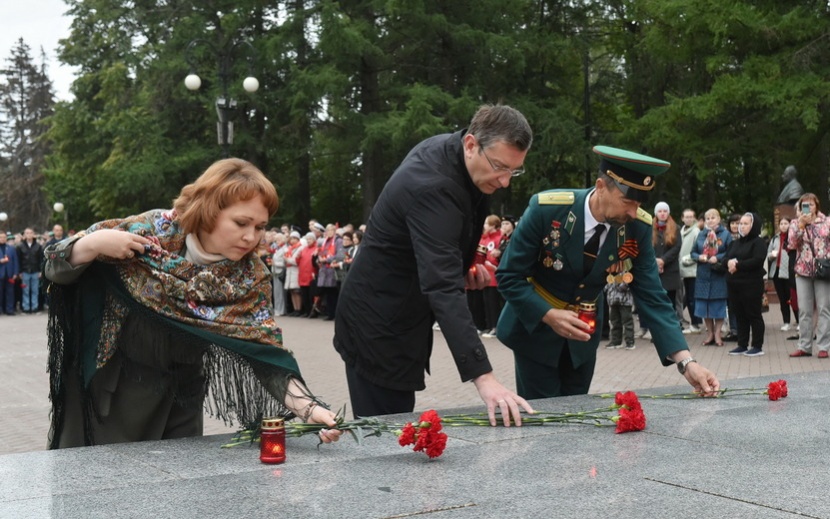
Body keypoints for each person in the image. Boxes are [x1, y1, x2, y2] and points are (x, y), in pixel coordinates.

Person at [43, 158, 341, 448]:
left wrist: (310, 410)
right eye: (241, 223)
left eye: (261, 226)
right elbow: (55, 265)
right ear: (209, 211)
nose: (251, 237)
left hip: (181, 401)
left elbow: (266, 353)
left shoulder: (250, 277)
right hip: (111, 397)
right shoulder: (151, 232)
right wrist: (92, 244)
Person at [334, 104, 535, 426]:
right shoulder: (432, 185)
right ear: (471, 144)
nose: (506, 181)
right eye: (500, 167)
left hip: (399, 315)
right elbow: (441, 286)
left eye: (515, 170)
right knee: (384, 438)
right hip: (378, 325)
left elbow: (438, 252)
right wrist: (484, 378)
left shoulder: (456, 156)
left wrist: (463, 270)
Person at [496, 145, 720, 399]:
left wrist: (686, 362)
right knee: (544, 418)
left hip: (583, 338)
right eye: (627, 202)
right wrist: (548, 315)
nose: (634, 212)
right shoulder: (546, 209)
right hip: (534, 333)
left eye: (638, 204)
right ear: (601, 186)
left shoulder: (636, 226)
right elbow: (508, 275)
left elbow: (652, 296)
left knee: (577, 413)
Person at [788, 193, 830, 358]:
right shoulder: (795, 223)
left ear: (817, 206)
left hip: (822, 271)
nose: (808, 208)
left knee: (824, 308)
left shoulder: (826, 222)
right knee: (804, 310)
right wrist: (801, 225)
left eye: (811, 204)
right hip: (803, 270)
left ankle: (823, 346)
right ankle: (804, 346)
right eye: (804, 205)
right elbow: (792, 243)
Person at [723, 213, 767, 356]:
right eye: (740, 223)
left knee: (753, 314)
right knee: (739, 314)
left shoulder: (758, 242)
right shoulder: (734, 243)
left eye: (745, 223)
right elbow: (725, 259)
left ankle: (757, 346)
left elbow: (757, 260)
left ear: (753, 225)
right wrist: (729, 263)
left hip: (751, 284)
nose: (741, 226)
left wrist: (738, 265)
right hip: (734, 284)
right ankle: (742, 344)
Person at [691, 209, 732, 347]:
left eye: (713, 217)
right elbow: (692, 253)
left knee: (718, 305)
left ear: (719, 219)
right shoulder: (701, 234)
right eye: (707, 218)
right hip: (703, 274)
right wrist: (699, 257)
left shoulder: (725, 235)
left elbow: (730, 251)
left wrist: (718, 257)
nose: (710, 220)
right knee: (704, 306)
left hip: (718, 274)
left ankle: (718, 334)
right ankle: (709, 334)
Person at [652, 202, 682, 327]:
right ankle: (658, 329)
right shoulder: (650, 228)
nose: (662, 213)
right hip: (655, 271)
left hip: (670, 272)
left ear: (668, 213)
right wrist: (655, 260)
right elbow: (647, 247)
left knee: (670, 302)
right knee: (657, 302)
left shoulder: (676, 228)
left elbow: (677, 247)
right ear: (656, 213)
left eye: (665, 211)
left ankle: (671, 328)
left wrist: (663, 260)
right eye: (660, 211)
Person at [767, 217, 793, 332]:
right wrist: (771, 255)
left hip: (788, 271)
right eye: (781, 223)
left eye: (786, 223)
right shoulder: (775, 238)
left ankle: (798, 321)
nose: (783, 226)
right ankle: (786, 322)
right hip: (776, 271)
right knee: (782, 299)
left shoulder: (793, 237)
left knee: (792, 298)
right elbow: (768, 254)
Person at [679, 208, 702, 334]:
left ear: (694, 218)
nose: (688, 219)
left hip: (692, 269)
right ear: (682, 218)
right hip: (683, 270)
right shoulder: (681, 231)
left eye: (691, 217)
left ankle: (696, 323)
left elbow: (699, 251)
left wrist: (686, 260)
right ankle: (693, 321)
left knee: (693, 297)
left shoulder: (696, 232)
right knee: (687, 297)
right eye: (686, 217)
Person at [16, 227, 44, 314]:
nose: (29, 234)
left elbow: (41, 259)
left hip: (35, 271)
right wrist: (19, 272)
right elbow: (18, 260)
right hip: (25, 272)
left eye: (30, 232)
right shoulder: (20, 246)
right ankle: (26, 308)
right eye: (27, 233)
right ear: (24, 235)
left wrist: (40, 271)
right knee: (25, 291)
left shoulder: (38, 246)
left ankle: (34, 307)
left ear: (33, 234)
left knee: (35, 290)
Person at [604, 278, 635, 350]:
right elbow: (606, 285)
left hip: (625, 301)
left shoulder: (627, 270)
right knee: (614, 321)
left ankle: (630, 342)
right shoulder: (611, 271)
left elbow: (625, 285)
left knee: (627, 322)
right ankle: (616, 341)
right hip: (612, 299)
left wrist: (616, 283)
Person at [0, 232, 19, 315]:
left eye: (4, 237)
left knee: (10, 293)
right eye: (1, 237)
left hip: (9, 274)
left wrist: (15, 273)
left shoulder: (11, 248)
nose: (3, 239)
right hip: (0, 273)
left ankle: (9, 309)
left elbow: (15, 261)